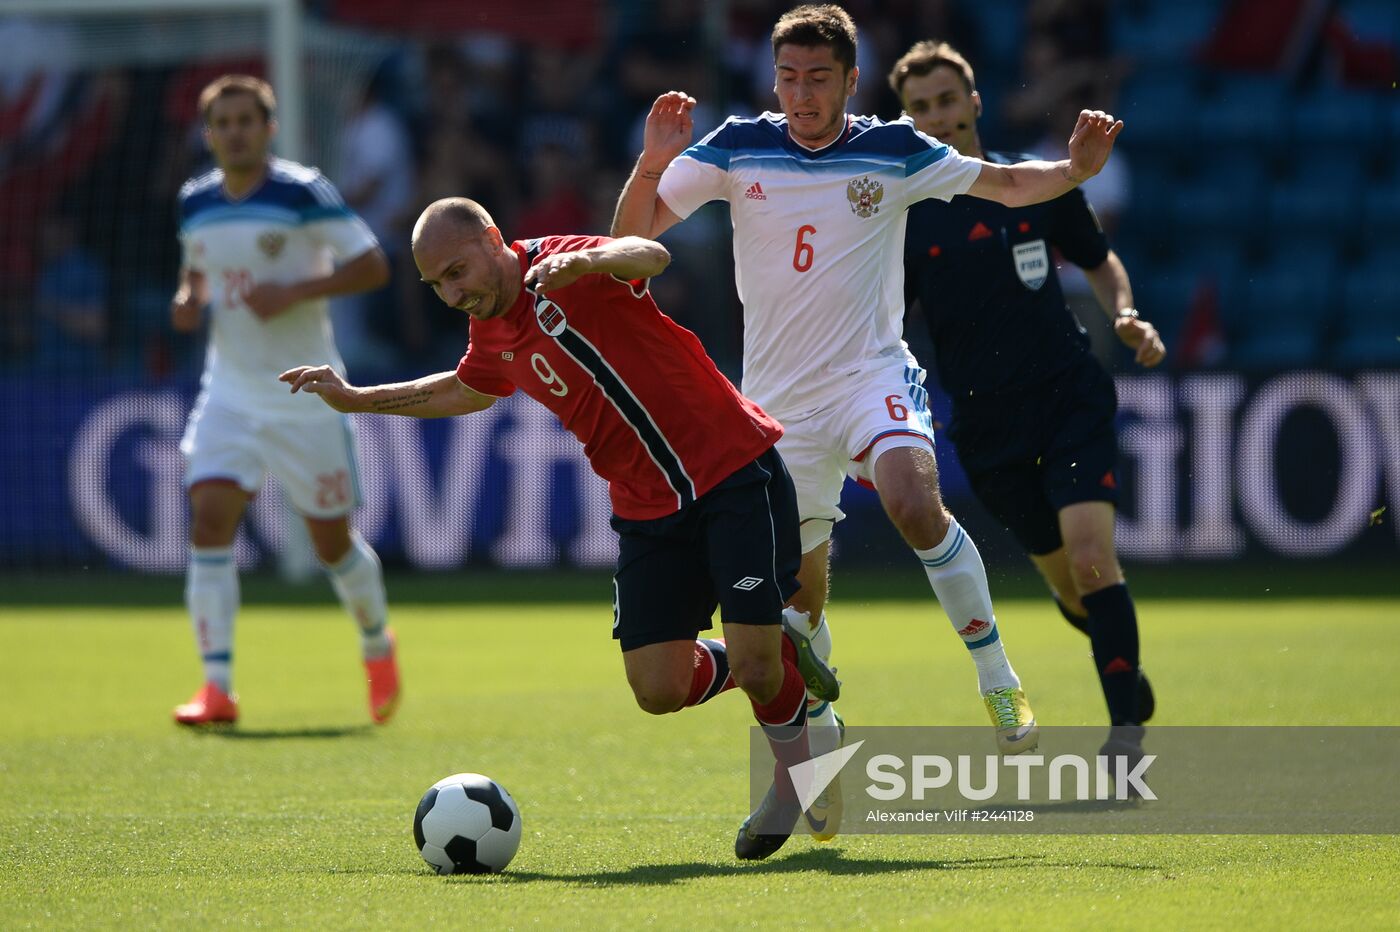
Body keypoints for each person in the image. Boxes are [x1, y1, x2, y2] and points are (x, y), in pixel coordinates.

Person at [611, 3, 1123, 828]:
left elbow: (1004, 185)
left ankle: (997, 677)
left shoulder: (893, 149)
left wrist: (1073, 170)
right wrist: (650, 166)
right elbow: (626, 250)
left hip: (869, 375)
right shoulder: (737, 145)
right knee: (800, 613)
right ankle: (822, 748)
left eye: (818, 78)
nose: (801, 94)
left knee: (914, 502)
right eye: (788, 77)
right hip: (776, 409)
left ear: (852, 81)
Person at [281, 197, 840, 861]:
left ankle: (792, 776)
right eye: (438, 285)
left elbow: (652, 254)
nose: (454, 294)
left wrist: (588, 261)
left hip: (729, 471)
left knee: (754, 666)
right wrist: (356, 399)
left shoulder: (559, 263)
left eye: (458, 272)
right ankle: (781, 651)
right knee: (658, 689)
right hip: (647, 509)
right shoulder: (490, 331)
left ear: (493, 239)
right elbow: (466, 388)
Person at [889, 40, 1163, 763]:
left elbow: (1100, 260)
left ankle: (1125, 741)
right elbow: (884, 321)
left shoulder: (1034, 182)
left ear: (974, 101)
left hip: (1069, 395)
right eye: (921, 107)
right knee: (1074, 589)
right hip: (986, 427)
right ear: (908, 120)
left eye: (947, 99)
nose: (937, 115)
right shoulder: (906, 218)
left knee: (1094, 560)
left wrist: (1126, 314)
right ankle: (1123, 664)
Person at [169, 75, 398, 727]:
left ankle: (377, 643)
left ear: (269, 128)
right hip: (229, 392)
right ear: (209, 134)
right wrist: (188, 298)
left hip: (306, 394)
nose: (235, 132)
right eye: (223, 122)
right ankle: (217, 688)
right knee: (209, 520)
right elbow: (197, 269)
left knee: (332, 545)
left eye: (247, 120)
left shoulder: (303, 192)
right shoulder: (194, 201)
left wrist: (294, 291)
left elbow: (373, 264)